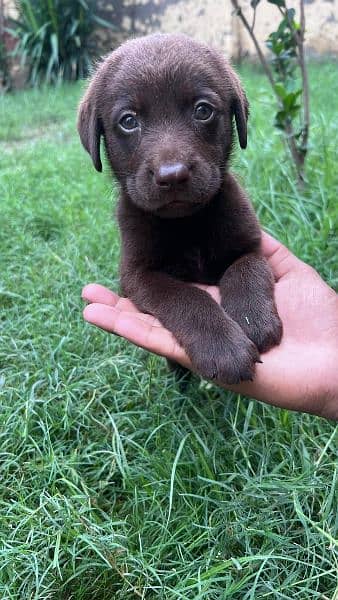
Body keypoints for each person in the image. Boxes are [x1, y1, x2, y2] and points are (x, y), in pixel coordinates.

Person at [82, 232, 338, 421]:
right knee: (173, 353)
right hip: (178, 292)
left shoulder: (231, 206)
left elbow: (248, 253)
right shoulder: (135, 219)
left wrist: (248, 291)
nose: (171, 169)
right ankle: (182, 380)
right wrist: (198, 324)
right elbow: (137, 277)